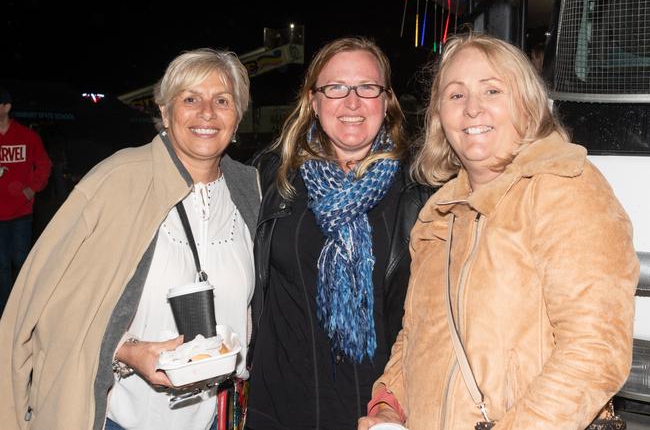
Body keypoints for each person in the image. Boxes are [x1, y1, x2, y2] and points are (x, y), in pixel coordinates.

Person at [358, 33, 639, 430]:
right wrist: (388, 402)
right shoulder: (438, 216)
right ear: (439, 116)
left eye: (492, 90)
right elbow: (418, 336)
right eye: (456, 95)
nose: (473, 108)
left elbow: (595, 352)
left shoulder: (566, 187)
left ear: (526, 104)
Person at [0, 48, 260, 430]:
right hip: (120, 417)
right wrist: (124, 352)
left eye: (222, 100)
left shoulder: (249, 189)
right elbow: (46, 306)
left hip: (214, 419)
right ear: (165, 113)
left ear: (237, 116)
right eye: (190, 99)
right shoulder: (117, 180)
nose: (207, 112)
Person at [246, 36, 434, 430]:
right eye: (335, 88)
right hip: (279, 407)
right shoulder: (273, 177)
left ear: (387, 101)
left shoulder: (420, 190)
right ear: (313, 102)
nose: (352, 102)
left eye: (367, 88)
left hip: (378, 411)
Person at [0, 86, 52, 316]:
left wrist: (31, 189)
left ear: (6, 107)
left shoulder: (26, 136)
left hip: (20, 211)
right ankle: (5, 312)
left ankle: (23, 308)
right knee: (1, 266)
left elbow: (44, 164)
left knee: (21, 261)